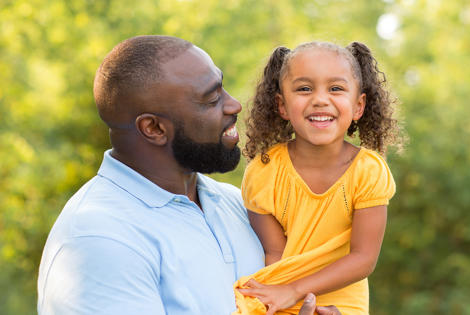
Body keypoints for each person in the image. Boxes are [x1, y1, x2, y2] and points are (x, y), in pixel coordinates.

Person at [37, 35, 340, 315]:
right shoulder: (100, 239)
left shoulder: (239, 205)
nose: (234, 105)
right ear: (154, 128)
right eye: (211, 100)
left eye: (222, 88)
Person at [233, 41, 399, 314]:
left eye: (335, 88)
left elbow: (363, 259)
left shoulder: (368, 171)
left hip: (342, 304)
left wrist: (295, 292)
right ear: (282, 105)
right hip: (282, 295)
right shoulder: (264, 172)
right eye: (304, 89)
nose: (320, 99)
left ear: (358, 106)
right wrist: (283, 299)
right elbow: (277, 258)